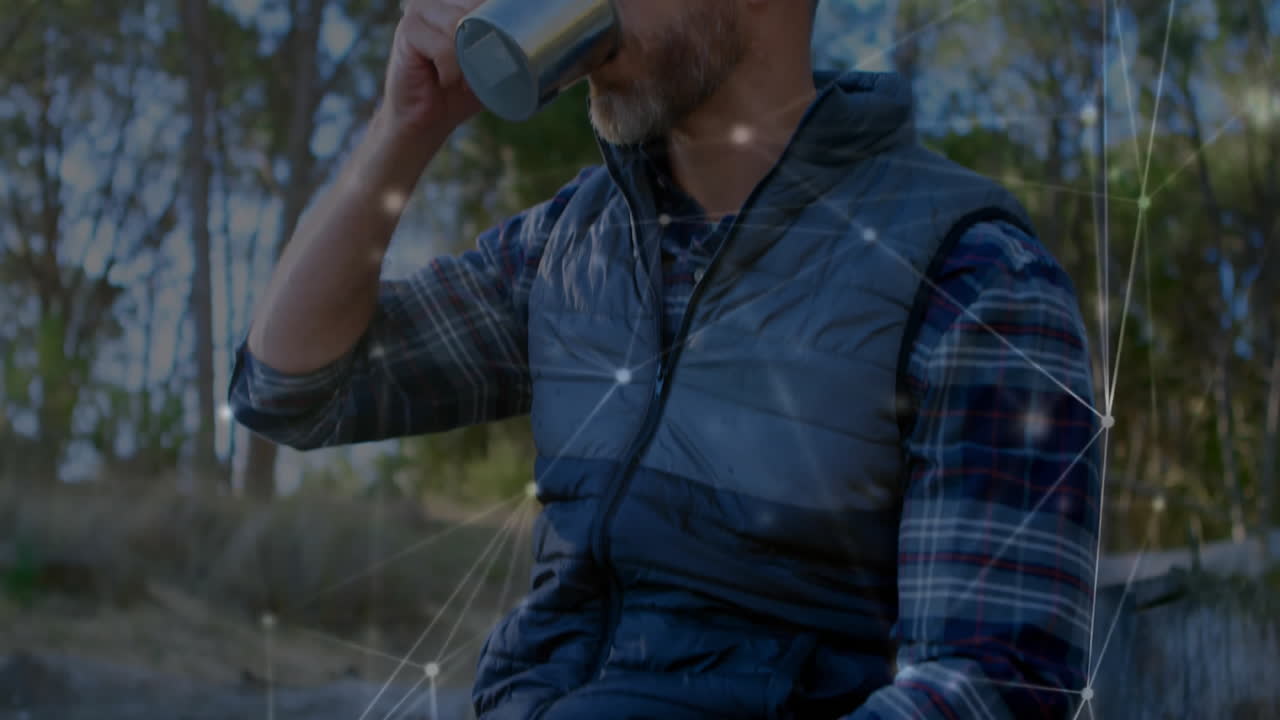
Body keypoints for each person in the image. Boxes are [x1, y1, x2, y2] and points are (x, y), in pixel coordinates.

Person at [229, 0, 1102, 717]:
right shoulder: (568, 248)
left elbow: (989, 688)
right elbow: (290, 390)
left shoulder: (972, 280)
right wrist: (405, 124)